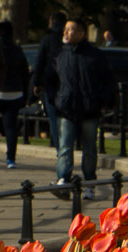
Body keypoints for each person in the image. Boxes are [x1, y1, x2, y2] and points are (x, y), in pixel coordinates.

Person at [52, 18, 111, 186]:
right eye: (65, 29)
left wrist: (101, 100)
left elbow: (107, 80)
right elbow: (51, 79)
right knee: (65, 147)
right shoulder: (59, 54)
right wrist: (55, 99)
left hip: (89, 108)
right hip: (66, 107)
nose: (65, 32)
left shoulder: (95, 55)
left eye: (70, 29)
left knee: (90, 149)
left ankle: (89, 181)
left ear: (81, 33)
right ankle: (63, 179)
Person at [0, 19, 25, 168]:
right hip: (15, 92)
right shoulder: (17, 49)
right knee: (10, 127)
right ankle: (10, 158)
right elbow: (24, 71)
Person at [33, 11, 62, 144]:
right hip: (67, 83)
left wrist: (36, 83)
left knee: (54, 120)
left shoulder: (47, 40)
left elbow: (39, 63)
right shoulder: (67, 39)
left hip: (50, 84)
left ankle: (59, 148)